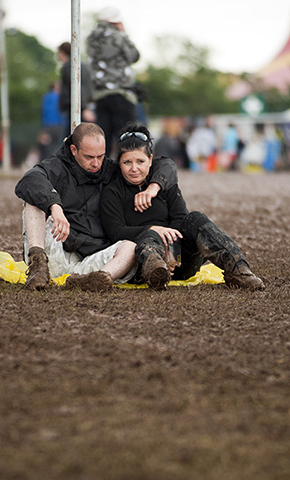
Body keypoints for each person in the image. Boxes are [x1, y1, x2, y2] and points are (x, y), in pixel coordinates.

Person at [14, 122, 179, 292]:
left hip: (93, 260)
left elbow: (166, 165)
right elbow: (29, 180)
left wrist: (153, 187)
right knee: (33, 200)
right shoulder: (55, 166)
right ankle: (37, 265)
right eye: (89, 157)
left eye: (100, 156)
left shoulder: (110, 169)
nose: (96, 163)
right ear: (73, 150)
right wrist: (54, 205)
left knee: (130, 246)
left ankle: (99, 279)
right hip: (57, 252)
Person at [100, 123, 265, 291]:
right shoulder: (112, 191)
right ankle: (157, 273)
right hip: (140, 262)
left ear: (150, 161)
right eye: (127, 162)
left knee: (195, 218)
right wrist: (154, 229)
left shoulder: (164, 184)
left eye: (140, 161)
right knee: (149, 236)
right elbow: (115, 231)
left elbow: (180, 218)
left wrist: (172, 255)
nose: (134, 168)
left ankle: (239, 271)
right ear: (119, 163)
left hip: (178, 259)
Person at [86, 6, 140, 157]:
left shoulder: (92, 38)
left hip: (100, 94)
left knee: (105, 137)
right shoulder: (118, 36)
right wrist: (124, 33)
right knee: (127, 138)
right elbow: (134, 56)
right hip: (121, 92)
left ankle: (104, 174)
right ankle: (127, 173)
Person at [57, 42, 95, 139]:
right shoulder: (85, 65)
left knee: (70, 140)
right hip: (84, 107)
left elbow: (77, 87)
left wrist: (84, 107)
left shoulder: (69, 67)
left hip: (76, 108)